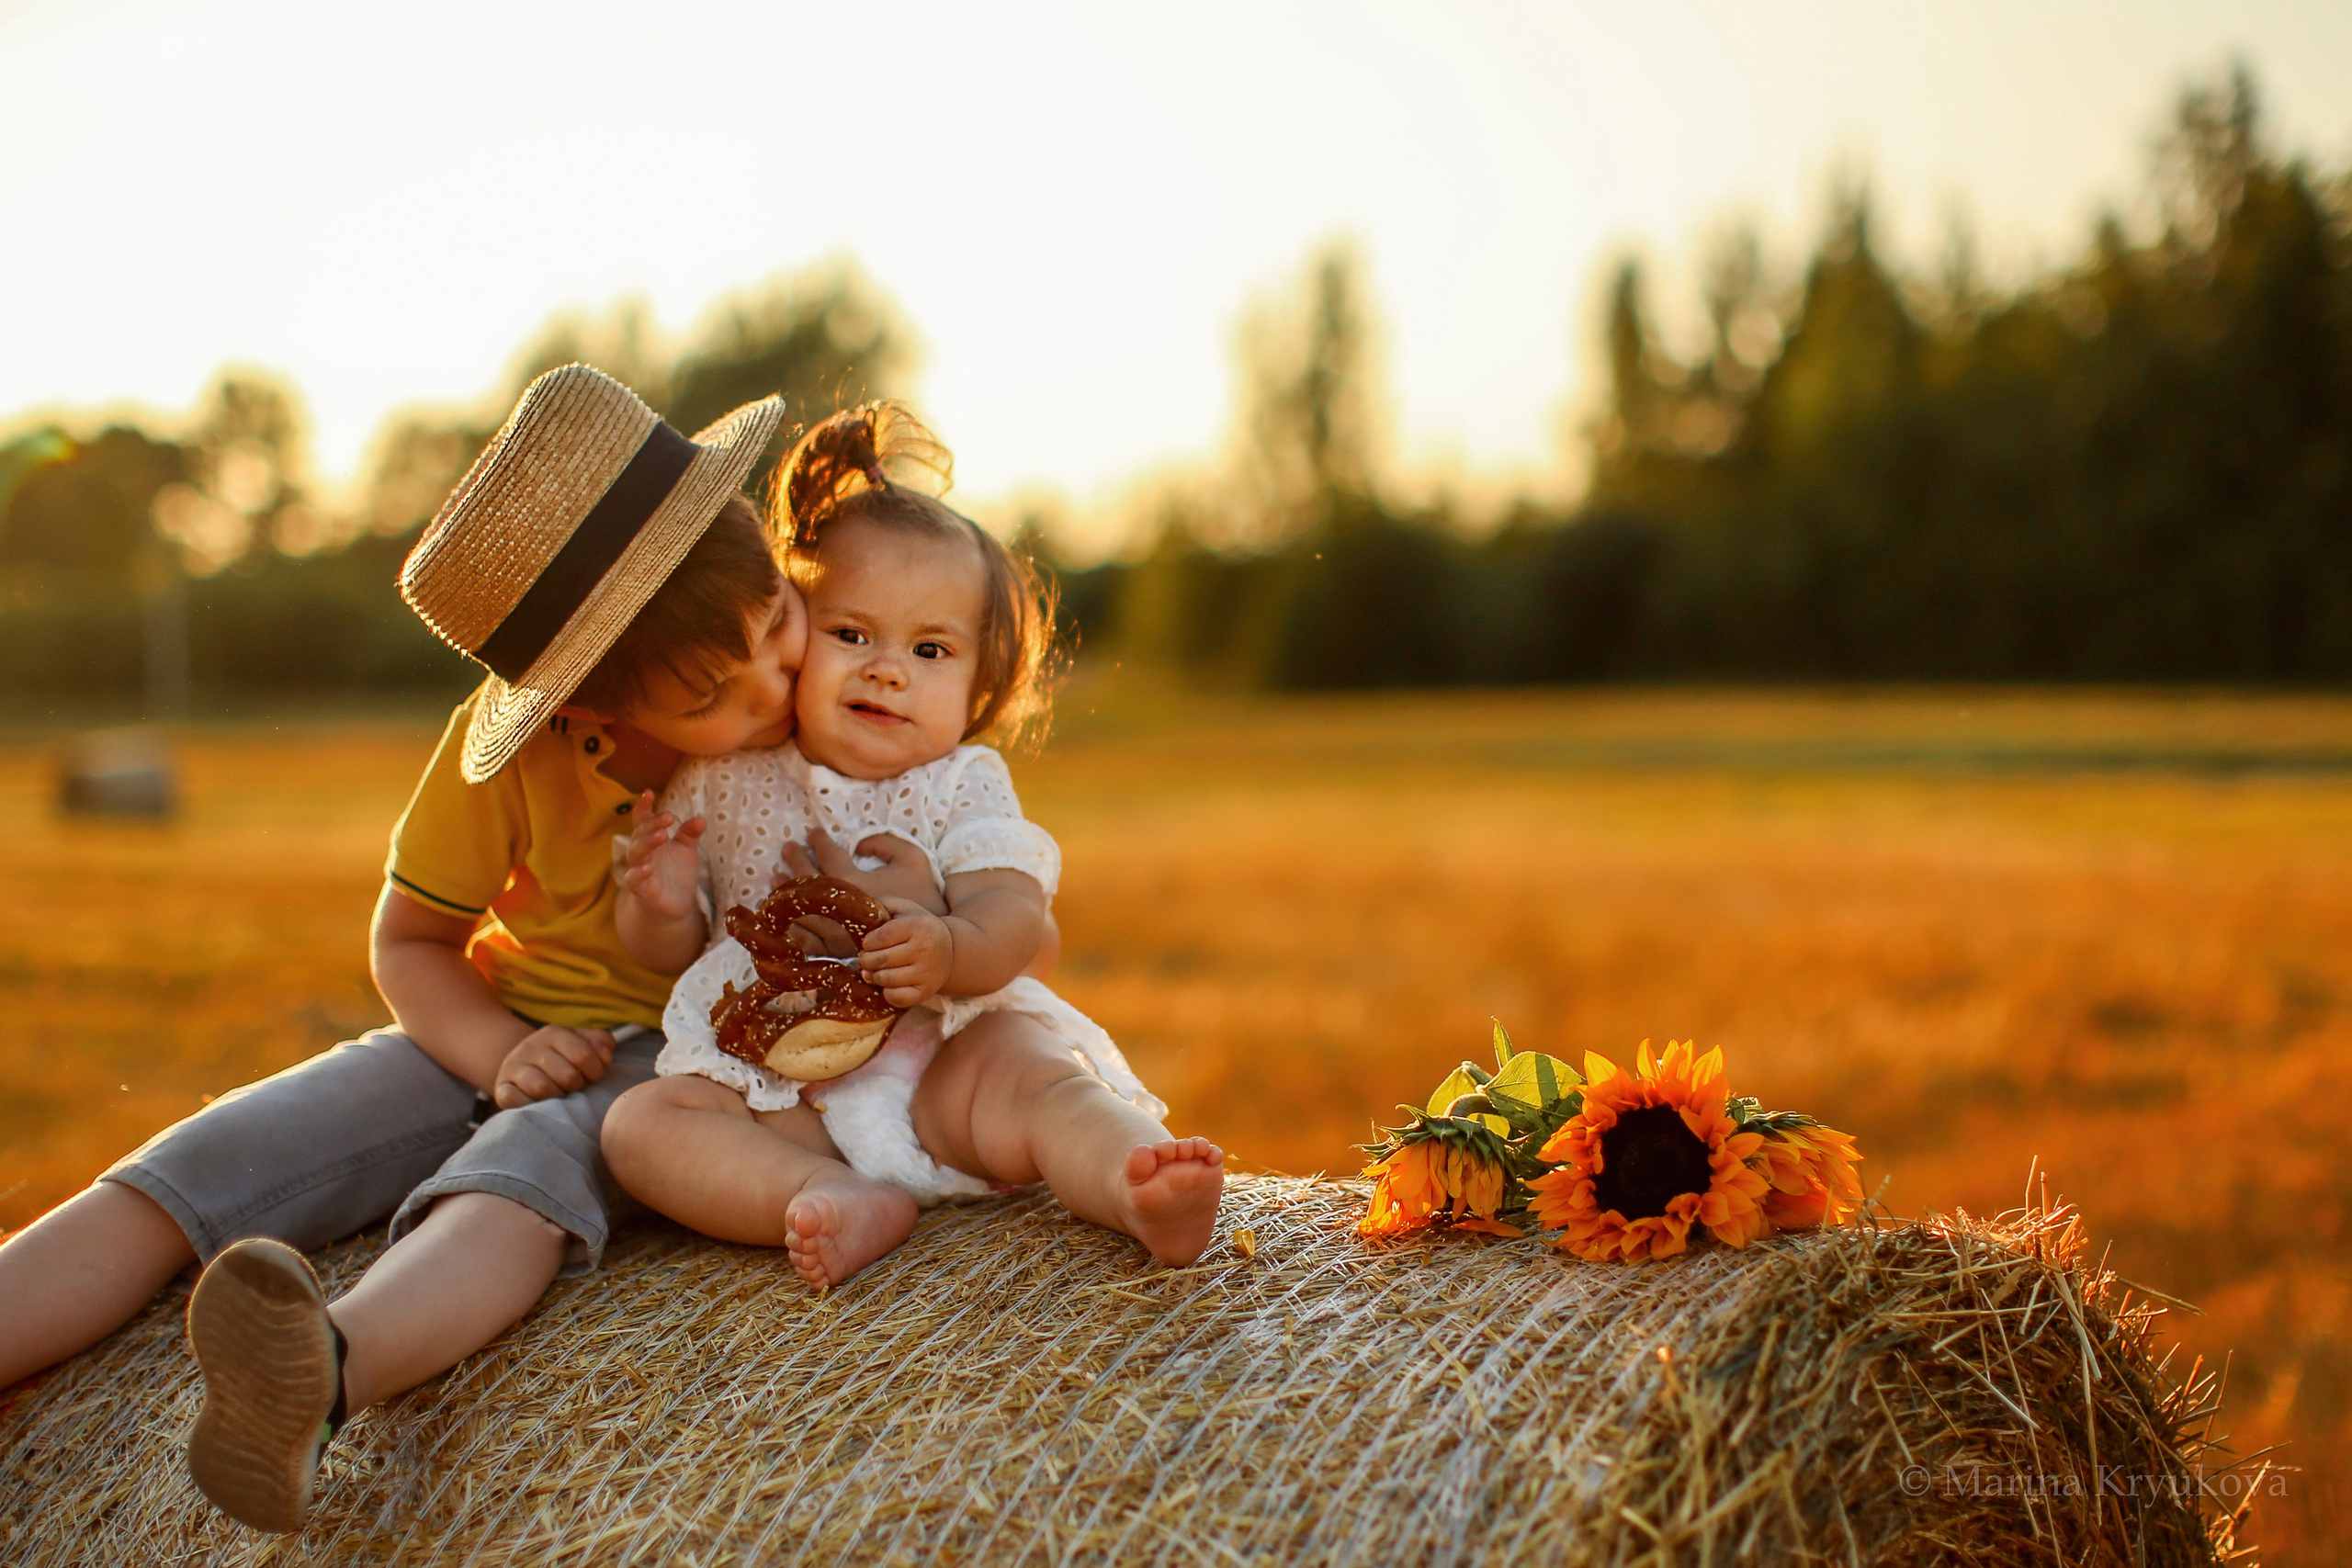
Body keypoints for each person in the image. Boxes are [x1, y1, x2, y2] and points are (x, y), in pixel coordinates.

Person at [0, 367, 918, 1534]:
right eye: (716, 693)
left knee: (521, 1173)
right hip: (493, 1023)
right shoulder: (516, 766)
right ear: (587, 707)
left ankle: (320, 1376)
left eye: (778, 633)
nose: (776, 687)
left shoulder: (837, 728)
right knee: (220, 1151)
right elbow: (412, 941)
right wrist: (494, 1049)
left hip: (682, 1066)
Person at [601, 402, 1225, 1291]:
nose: (887, 667)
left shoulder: (962, 780)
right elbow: (673, 953)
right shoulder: (725, 779)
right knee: (642, 1126)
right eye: (851, 634)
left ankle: (1141, 1186)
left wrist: (946, 946)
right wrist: (655, 904)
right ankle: (825, 1193)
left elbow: (1012, 912)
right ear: (793, 630)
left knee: (1044, 1083)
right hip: (783, 1090)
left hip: (945, 1063)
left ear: (981, 682)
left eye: (930, 649)